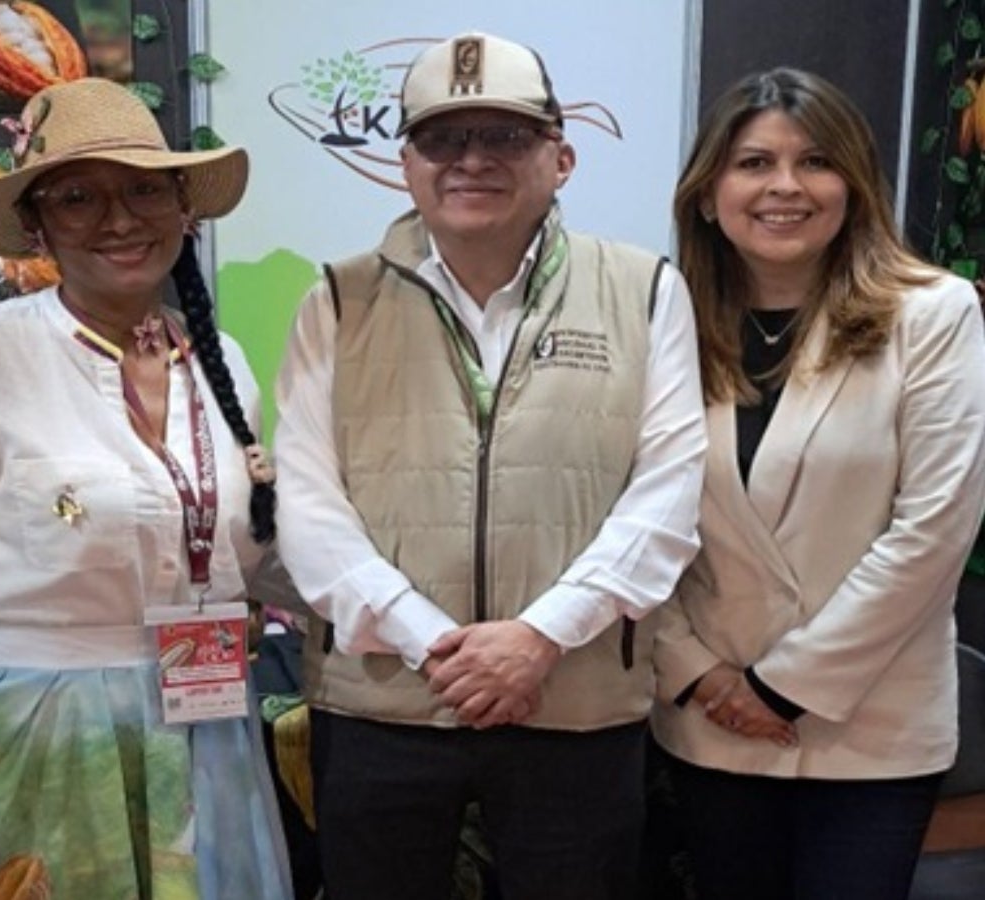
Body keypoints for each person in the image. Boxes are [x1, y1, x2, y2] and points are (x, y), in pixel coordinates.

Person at [274, 30, 707, 900]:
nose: (471, 159)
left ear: (561, 155)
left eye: (505, 136)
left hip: (576, 702)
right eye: (443, 137)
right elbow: (308, 505)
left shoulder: (645, 290)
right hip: (382, 702)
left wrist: (539, 637)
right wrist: (433, 643)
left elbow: (666, 496)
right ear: (406, 163)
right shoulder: (337, 297)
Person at [0, 77, 293, 900]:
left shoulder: (220, 362)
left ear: (183, 207)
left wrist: (409, 615)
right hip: (27, 738)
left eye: (143, 190)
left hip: (205, 728)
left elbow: (256, 557)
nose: (118, 220)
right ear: (38, 225)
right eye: (77, 197)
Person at [646, 67, 985, 900]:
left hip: (869, 722)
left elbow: (933, 531)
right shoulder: (659, 320)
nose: (785, 187)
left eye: (816, 162)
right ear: (706, 192)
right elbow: (624, 522)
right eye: (754, 163)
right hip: (711, 716)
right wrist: (700, 673)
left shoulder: (933, 314)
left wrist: (781, 687)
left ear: (855, 185)